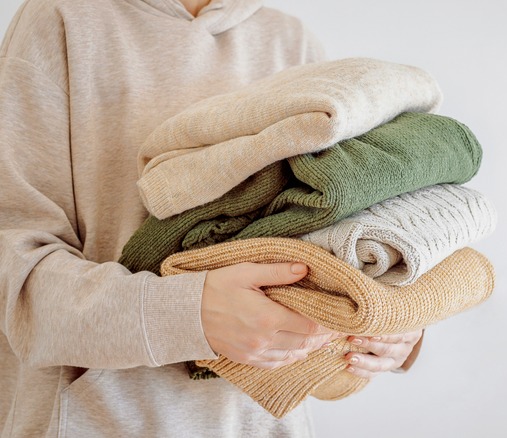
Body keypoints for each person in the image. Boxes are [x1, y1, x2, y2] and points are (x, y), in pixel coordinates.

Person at [0, 0, 423, 436]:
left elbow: (339, 228)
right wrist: (188, 314)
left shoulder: (290, 39)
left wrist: (393, 320)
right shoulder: (64, 20)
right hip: (101, 421)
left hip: (266, 423)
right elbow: (14, 273)